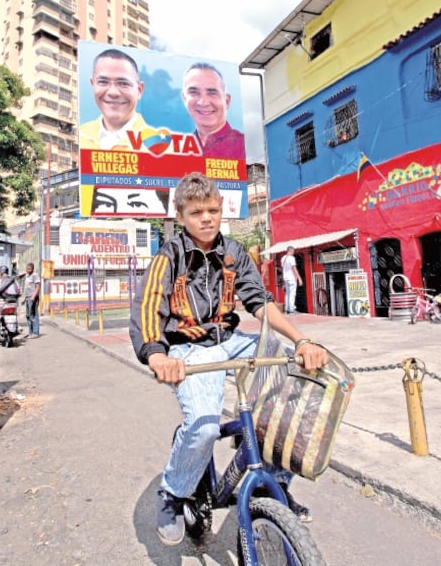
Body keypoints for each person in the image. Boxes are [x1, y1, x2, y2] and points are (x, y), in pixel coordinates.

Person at [130, 172, 327, 546]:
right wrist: (157, 355)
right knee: (203, 427)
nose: (206, 218)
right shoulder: (168, 256)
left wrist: (302, 342)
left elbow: (261, 304)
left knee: (298, 380)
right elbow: (148, 308)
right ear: (181, 216)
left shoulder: (235, 252)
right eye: (196, 212)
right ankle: (173, 492)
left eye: (213, 210)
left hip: (231, 341)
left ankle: (275, 482)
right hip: (188, 350)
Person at [79, 49, 149, 151]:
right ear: (92, 84)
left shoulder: (159, 146)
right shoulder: (81, 136)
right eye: (103, 82)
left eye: (123, 83)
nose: (113, 92)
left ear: (139, 90)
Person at [181, 63, 246, 159]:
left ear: (226, 101)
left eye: (212, 93)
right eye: (194, 93)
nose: (203, 102)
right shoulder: (177, 150)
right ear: (184, 99)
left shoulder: (243, 146)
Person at [21, 262, 40, 339]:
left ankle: (35, 333)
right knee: (28, 316)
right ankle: (30, 332)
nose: (28, 270)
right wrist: (24, 298)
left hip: (33, 298)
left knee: (34, 315)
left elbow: (38, 287)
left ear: (32, 269)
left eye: (29, 268)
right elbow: (26, 289)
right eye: (27, 268)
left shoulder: (35, 275)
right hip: (28, 298)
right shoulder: (27, 276)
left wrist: (33, 296)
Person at [280, 246, 301, 314]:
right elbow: (294, 269)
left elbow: (283, 269)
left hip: (286, 278)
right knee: (292, 294)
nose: (293, 253)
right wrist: (299, 278)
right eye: (293, 251)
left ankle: (287, 309)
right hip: (291, 278)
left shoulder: (283, 258)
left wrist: (283, 281)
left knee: (287, 294)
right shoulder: (291, 258)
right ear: (290, 251)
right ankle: (292, 309)